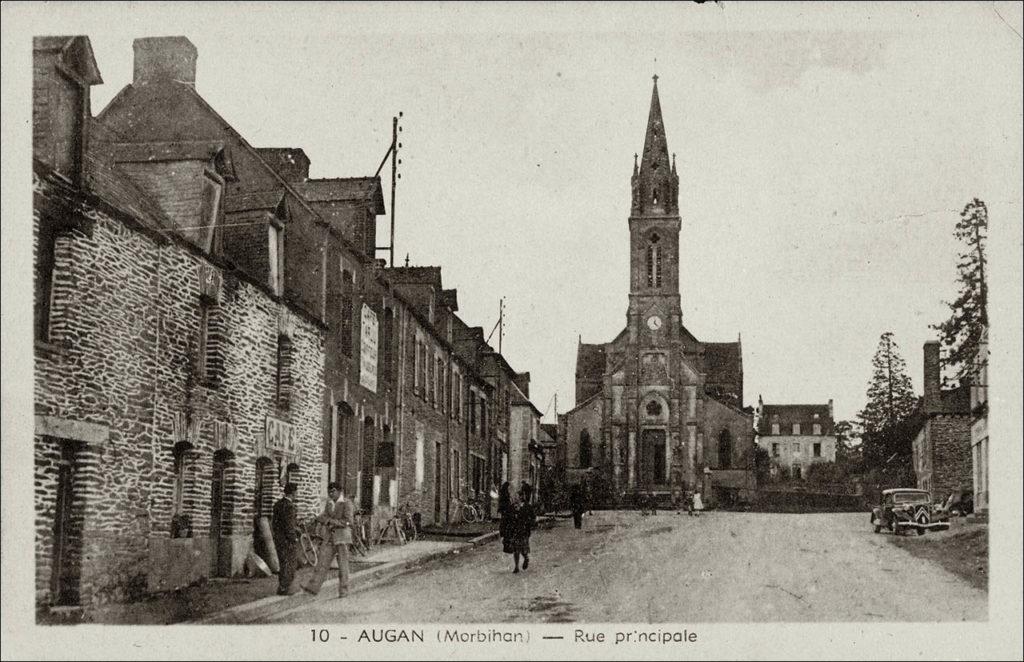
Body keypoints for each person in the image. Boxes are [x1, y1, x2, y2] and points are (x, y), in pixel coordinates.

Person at [303, 482, 354, 598]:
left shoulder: (347, 503)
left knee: (343, 566)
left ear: (339, 491)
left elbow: (348, 521)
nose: (331, 494)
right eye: (329, 492)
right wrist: (322, 519)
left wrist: (330, 521)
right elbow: (323, 516)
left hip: (342, 538)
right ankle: (313, 588)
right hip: (329, 537)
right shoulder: (329, 503)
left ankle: (343, 591)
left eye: (333, 491)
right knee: (322, 563)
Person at [271, 482, 301, 595]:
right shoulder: (290, 506)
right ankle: (285, 588)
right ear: (293, 493)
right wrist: (294, 538)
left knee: (283, 563)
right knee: (290, 564)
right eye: (296, 492)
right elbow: (289, 526)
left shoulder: (278, 504)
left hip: (278, 538)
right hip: (287, 540)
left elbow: (275, 523)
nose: (297, 494)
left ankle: (282, 587)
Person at [507, 483, 537, 573]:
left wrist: (529, 523)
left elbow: (533, 517)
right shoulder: (513, 506)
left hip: (524, 530)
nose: (517, 498)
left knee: (523, 549)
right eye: (516, 497)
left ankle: (526, 558)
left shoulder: (528, 506)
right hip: (515, 530)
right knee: (516, 549)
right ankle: (516, 567)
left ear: (522, 497)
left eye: (518, 496)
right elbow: (509, 517)